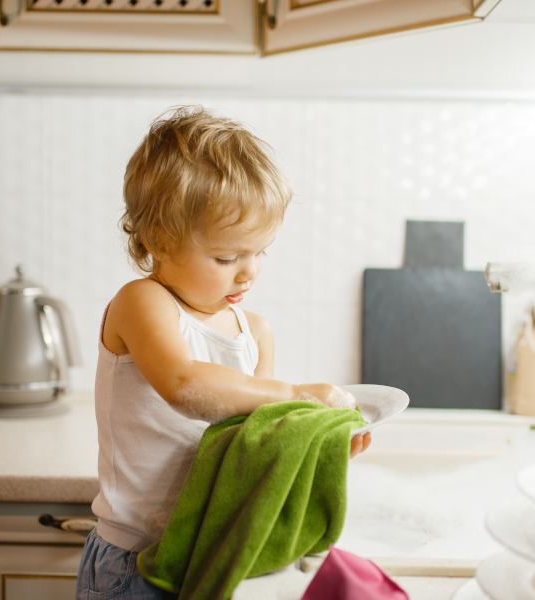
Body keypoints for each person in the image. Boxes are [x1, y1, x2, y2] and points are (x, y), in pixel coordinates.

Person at [77, 105, 371, 600]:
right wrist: (297, 394)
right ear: (158, 240)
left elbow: (253, 441)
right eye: (227, 257)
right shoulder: (143, 303)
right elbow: (185, 385)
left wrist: (318, 440)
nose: (249, 272)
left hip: (211, 550)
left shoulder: (255, 332)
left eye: (261, 252)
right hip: (132, 563)